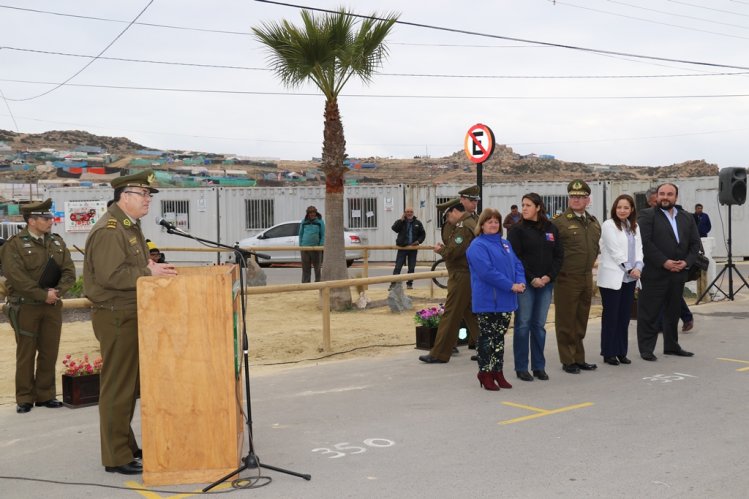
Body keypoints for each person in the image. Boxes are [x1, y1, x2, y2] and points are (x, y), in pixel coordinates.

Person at [83, 171, 177, 475]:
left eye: (149, 195)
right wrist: (148, 274)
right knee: (117, 387)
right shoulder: (111, 230)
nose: (148, 200)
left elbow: (129, 266)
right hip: (116, 315)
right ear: (125, 196)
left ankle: (125, 444)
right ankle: (116, 456)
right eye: (144, 194)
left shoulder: (128, 226)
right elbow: (111, 277)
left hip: (129, 312)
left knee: (129, 385)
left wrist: (149, 266)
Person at [0, 199, 76, 414]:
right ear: (31, 221)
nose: (50, 221)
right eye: (45, 218)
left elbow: (69, 271)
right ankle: (24, 397)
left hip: (51, 306)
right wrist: (43, 294)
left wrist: (57, 292)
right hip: (26, 307)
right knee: (26, 353)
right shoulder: (13, 244)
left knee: (49, 351)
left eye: (50, 218)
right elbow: (16, 277)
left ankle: (45, 394)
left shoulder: (57, 242)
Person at [637, 183, 701, 361]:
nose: (665, 197)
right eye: (662, 194)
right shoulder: (647, 215)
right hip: (654, 273)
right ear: (657, 196)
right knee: (648, 313)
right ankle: (646, 349)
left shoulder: (687, 217)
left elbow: (695, 244)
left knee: (673, 312)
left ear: (676, 197)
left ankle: (672, 346)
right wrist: (664, 262)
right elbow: (645, 243)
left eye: (669, 194)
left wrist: (686, 262)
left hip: (678, 274)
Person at [466, 208, 526, 390]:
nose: (493, 224)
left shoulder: (505, 243)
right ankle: (485, 372)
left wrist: (521, 281)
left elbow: (517, 264)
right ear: (482, 225)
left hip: (506, 300)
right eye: (489, 221)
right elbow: (487, 272)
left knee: (499, 338)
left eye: (496, 221)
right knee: (487, 338)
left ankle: (497, 372)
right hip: (488, 301)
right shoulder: (477, 246)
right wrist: (511, 285)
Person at [507, 193, 563, 382]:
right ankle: (521, 367)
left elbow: (558, 256)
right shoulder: (517, 230)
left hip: (546, 284)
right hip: (526, 284)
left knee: (539, 326)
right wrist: (532, 278)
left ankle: (539, 366)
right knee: (523, 324)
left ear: (538, 207)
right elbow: (516, 258)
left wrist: (549, 277)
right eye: (523, 205)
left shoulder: (551, 228)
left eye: (528, 205)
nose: (524, 208)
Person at [418, 201, 480, 363]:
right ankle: (485, 347)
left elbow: (453, 252)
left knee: (451, 314)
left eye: (447, 216)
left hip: (461, 275)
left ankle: (439, 353)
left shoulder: (463, 227)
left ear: (454, 211)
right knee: (471, 313)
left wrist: (440, 250)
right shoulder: (469, 222)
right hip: (466, 274)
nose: (447, 220)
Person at [552, 179, 601, 374]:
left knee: (581, 319)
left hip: (586, 277)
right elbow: (552, 252)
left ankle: (579, 357)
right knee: (566, 320)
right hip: (566, 278)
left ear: (588, 199)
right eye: (573, 197)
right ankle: (567, 359)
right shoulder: (559, 222)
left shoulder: (593, 222)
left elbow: (596, 248)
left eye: (580, 197)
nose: (576, 200)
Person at [597, 194, 643, 366]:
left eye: (626, 208)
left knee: (624, 317)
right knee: (611, 316)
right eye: (619, 207)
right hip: (613, 278)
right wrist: (630, 268)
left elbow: (640, 249)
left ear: (631, 210)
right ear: (614, 209)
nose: (622, 211)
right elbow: (614, 251)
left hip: (630, 279)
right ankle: (609, 352)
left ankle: (621, 351)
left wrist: (639, 266)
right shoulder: (608, 225)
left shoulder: (634, 227)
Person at [647, 188, 694, 332]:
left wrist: (682, 262)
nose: (659, 203)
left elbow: (690, 240)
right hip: (657, 265)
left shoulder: (682, 216)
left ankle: (685, 318)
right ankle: (668, 323)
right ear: (649, 202)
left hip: (676, 265)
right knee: (664, 297)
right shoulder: (649, 217)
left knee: (674, 296)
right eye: (655, 201)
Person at [390, 207, 426, 290]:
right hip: (402, 248)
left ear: (413, 213)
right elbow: (394, 229)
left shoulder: (418, 223)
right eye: (407, 212)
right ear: (404, 213)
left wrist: (418, 241)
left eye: (411, 212)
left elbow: (423, 234)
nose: (409, 213)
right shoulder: (401, 222)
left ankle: (409, 284)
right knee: (398, 267)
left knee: (411, 267)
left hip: (413, 248)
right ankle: (393, 284)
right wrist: (401, 220)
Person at [299, 205, 325, 283]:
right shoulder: (304, 222)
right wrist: (301, 245)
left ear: (316, 213)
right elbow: (301, 234)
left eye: (313, 213)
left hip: (316, 248)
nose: (312, 214)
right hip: (305, 248)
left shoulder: (320, 222)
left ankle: (318, 282)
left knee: (317, 267)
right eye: (310, 213)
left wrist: (320, 245)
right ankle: (305, 283)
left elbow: (323, 234)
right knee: (305, 267)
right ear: (308, 214)